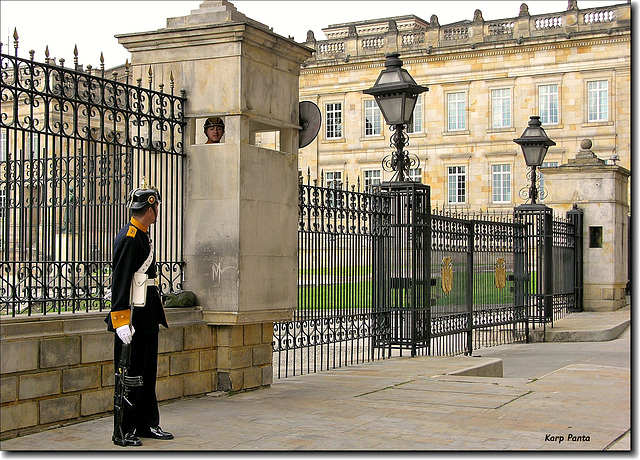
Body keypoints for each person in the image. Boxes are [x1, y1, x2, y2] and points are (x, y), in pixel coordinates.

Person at [106, 179, 173, 447]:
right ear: (150, 209)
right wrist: (121, 320)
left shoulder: (142, 233)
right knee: (130, 376)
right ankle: (123, 430)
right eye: (155, 210)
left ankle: (146, 423)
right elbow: (121, 279)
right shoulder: (131, 238)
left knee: (147, 372)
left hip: (146, 315)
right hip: (132, 317)